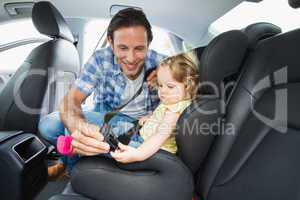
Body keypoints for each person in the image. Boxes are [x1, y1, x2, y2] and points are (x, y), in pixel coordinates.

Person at [38, 8, 165, 179]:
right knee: (48, 125)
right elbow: (72, 99)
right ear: (111, 42)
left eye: (139, 49)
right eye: (122, 48)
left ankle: (72, 172)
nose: (131, 57)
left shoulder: (163, 63)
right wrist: (77, 127)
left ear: (148, 44)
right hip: (104, 115)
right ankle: (78, 158)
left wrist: (166, 75)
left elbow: (190, 78)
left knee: (84, 123)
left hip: (138, 126)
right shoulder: (100, 59)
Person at [111, 53, 199, 163]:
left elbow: (160, 135)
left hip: (150, 148)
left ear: (188, 85)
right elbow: (161, 116)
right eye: (160, 85)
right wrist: (150, 118)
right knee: (117, 129)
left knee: (110, 143)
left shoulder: (174, 110)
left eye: (170, 86)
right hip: (144, 137)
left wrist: (138, 154)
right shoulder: (173, 102)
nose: (162, 90)